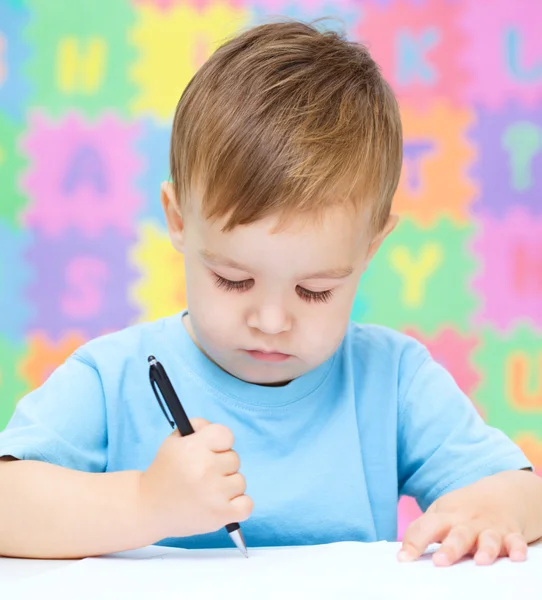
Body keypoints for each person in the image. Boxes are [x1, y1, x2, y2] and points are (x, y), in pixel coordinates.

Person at [0, 19, 540, 566]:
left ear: (370, 248)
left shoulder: (394, 379)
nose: (272, 319)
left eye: (314, 290)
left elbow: (526, 495)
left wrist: (493, 510)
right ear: (178, 219)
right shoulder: (112, 377)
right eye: (234, 279)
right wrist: (145, 503)